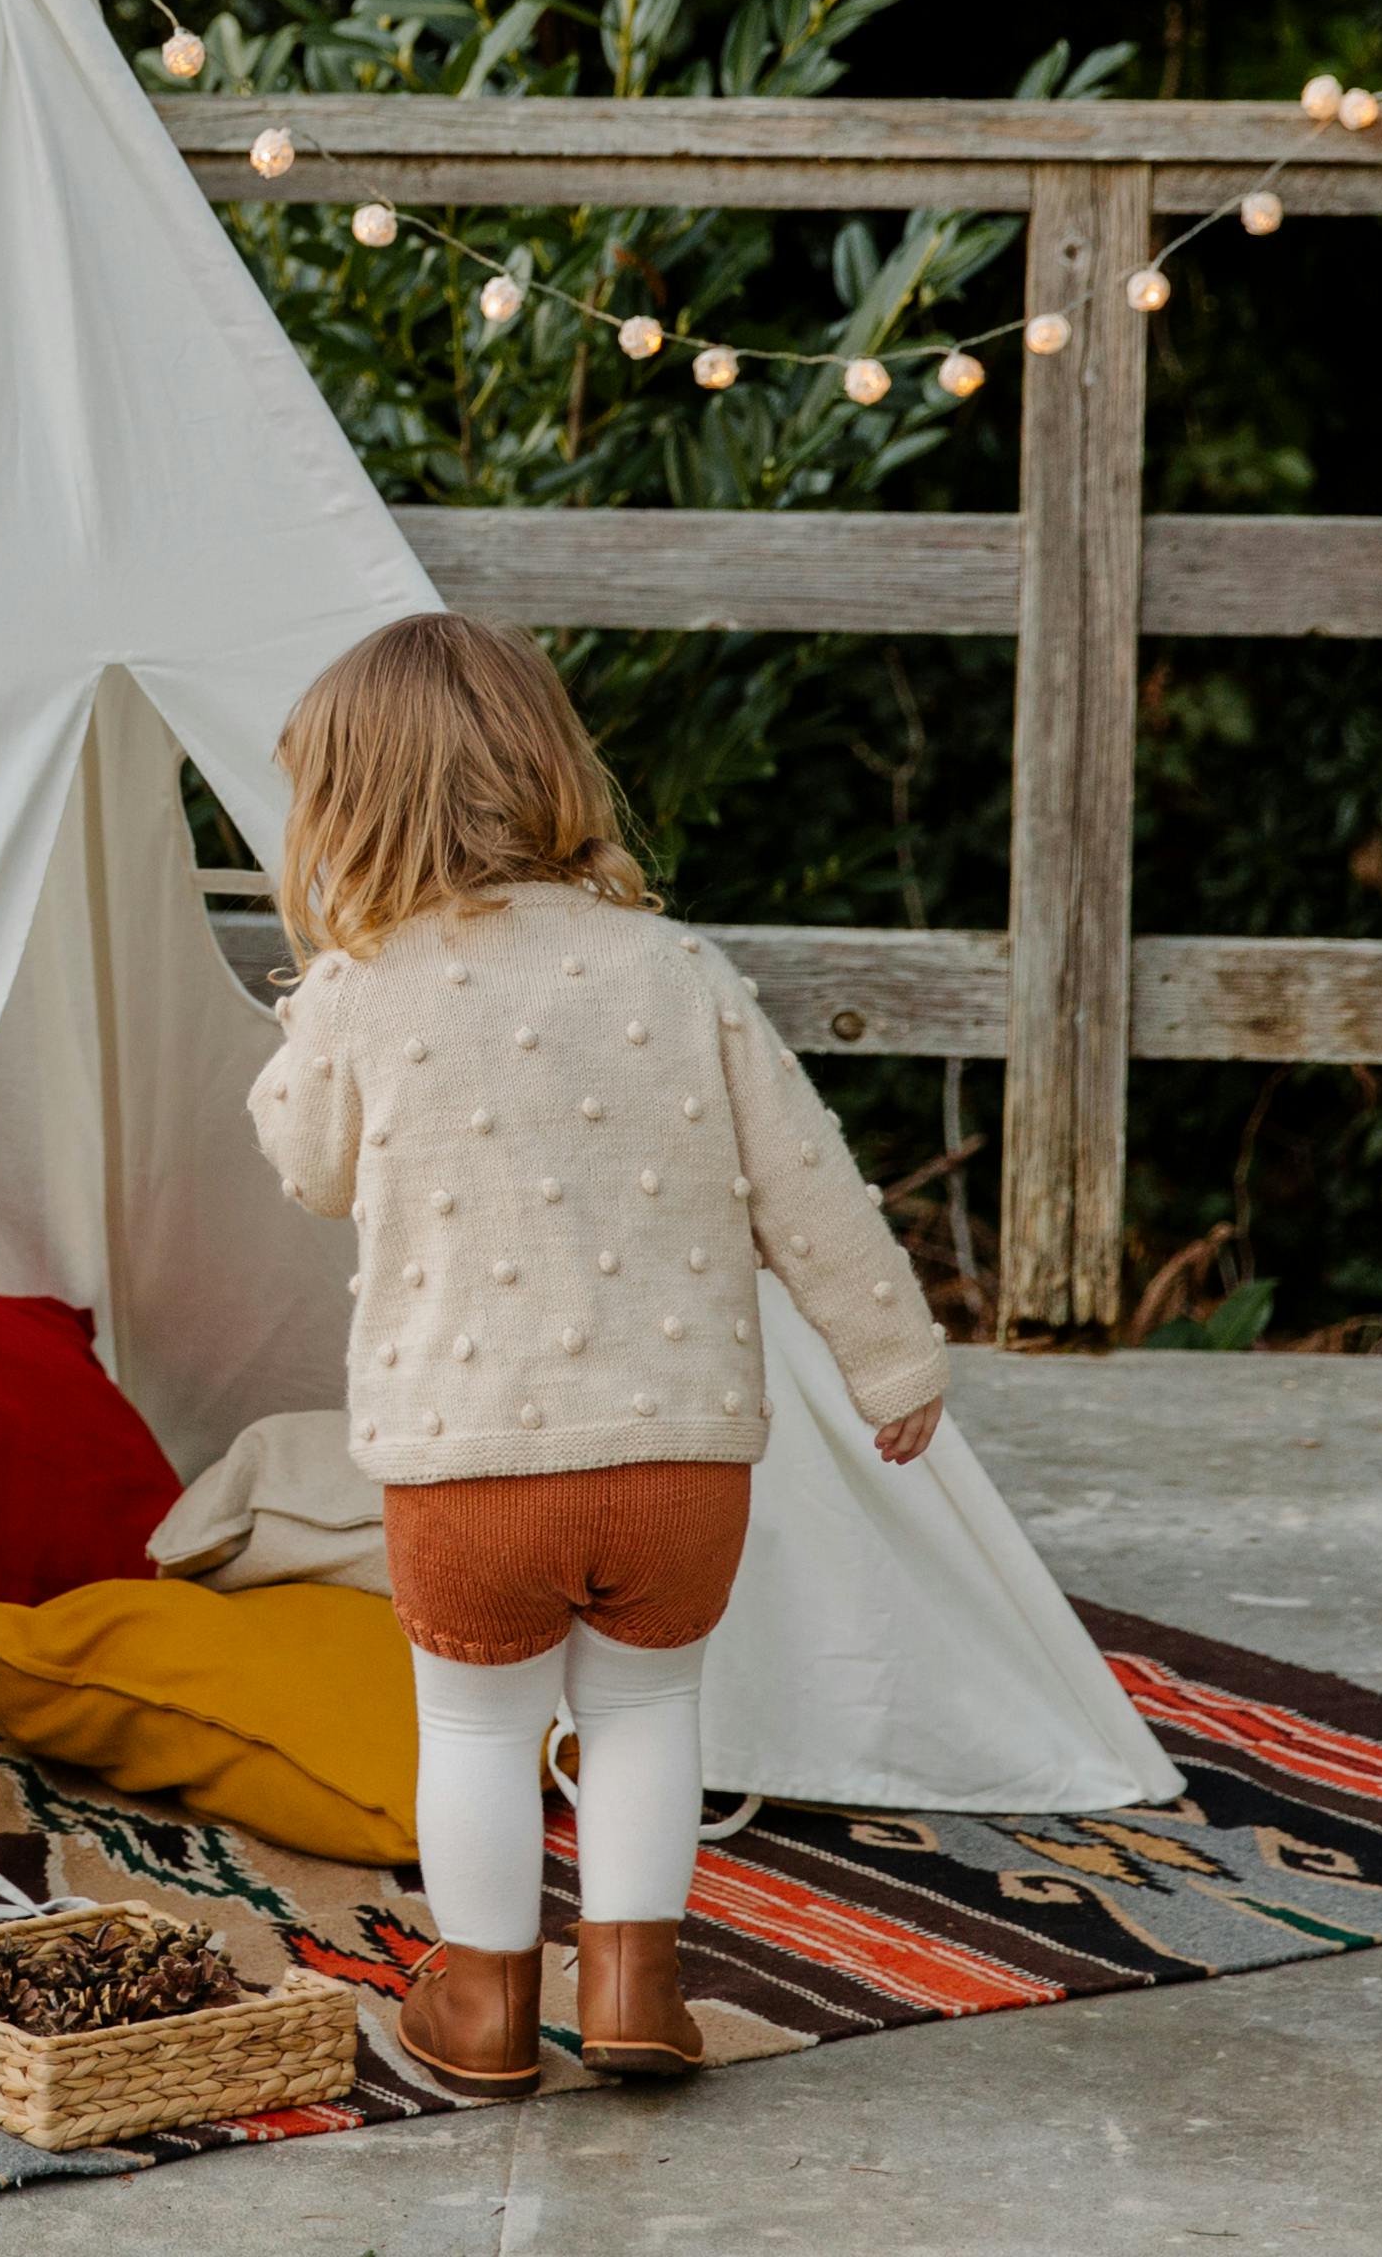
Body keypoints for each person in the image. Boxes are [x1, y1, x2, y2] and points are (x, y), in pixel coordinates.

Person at [245, 612, 950, 2094]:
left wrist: (307, 1014)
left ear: (346, 812)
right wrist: (894, 1367)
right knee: (643, 1715)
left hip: (470, 1467)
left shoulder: (364, 988)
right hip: (680, 1462)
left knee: (476, 1732)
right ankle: (637, 1994)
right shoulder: (673, 968)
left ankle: (486, 2011)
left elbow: (308, 1163)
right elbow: (812, 1187)